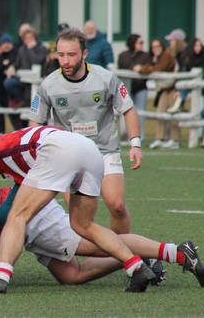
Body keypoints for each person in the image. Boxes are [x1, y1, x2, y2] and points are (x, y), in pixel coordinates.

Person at [0, 126, 155, 294]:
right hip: (88, 150)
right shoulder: (17, 156)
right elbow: (13, 194)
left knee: (20, 216)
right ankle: (153, 259)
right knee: (83, 229)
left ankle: (0, 278)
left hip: (60, 153)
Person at [0, 181, 204, 288]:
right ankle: (138, 259)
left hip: (22, 214)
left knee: (92, 246)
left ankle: (177, 252)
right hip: (16, 223)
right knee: (72, 276)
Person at [29, 28, 141, 235]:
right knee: (80, 220)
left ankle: (125, 253)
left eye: (71, 54)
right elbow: (35, 123)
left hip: (104, 151)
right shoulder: (49, 85)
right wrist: (33, 152)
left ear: (84, 54)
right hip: (70, 156)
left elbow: (128, 108)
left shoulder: (106, 79)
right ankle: (106, 255)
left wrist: (135, 143)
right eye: (61, 55)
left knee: (117, 206)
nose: (65, 61)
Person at [134, 38, 178, 149]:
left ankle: (175, 140)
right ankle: (160, 139)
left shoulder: (167, 55)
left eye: (157, 46)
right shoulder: (155, 57)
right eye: (153, 47)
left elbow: (158, 69)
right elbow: (151, 67)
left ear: (162, 47)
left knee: (173, 113)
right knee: (160, 112)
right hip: (163, 88)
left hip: (173, 87)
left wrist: (141, 69)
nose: (155, 49)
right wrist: (146, 68)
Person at [4, 27, 47, 109]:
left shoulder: (42, 48)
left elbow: (37, 61)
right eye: (26, 38)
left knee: (37, 105)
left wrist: (30, 50)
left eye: (30, 38)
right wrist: (12, 67)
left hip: (37, 80)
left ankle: (28, 102)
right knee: (8, 83)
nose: (28, 40)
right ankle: (24, 100)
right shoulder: (21, 49)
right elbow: (17, 63)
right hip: (23, 79)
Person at [117, 34, 150, 142]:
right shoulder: (123, 55)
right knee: (125, 110)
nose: (142, 45)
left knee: (140, 113)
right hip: (126, 88)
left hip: (140, 87)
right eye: (139, 42)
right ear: (133, 43)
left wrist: (141, 69)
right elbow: (122, 68)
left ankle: (140, 137)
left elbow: (149, 67)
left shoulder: (145, 56)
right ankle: (125, 135)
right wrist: (134, 68)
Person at [169, 37, 204, 113]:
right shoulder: (187, 59)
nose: (198, 48)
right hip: (193, 87)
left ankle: (179, 103)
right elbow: (183, 75)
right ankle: (179, 102)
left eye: (199, 46)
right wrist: (178, 90)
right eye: (196, 46)